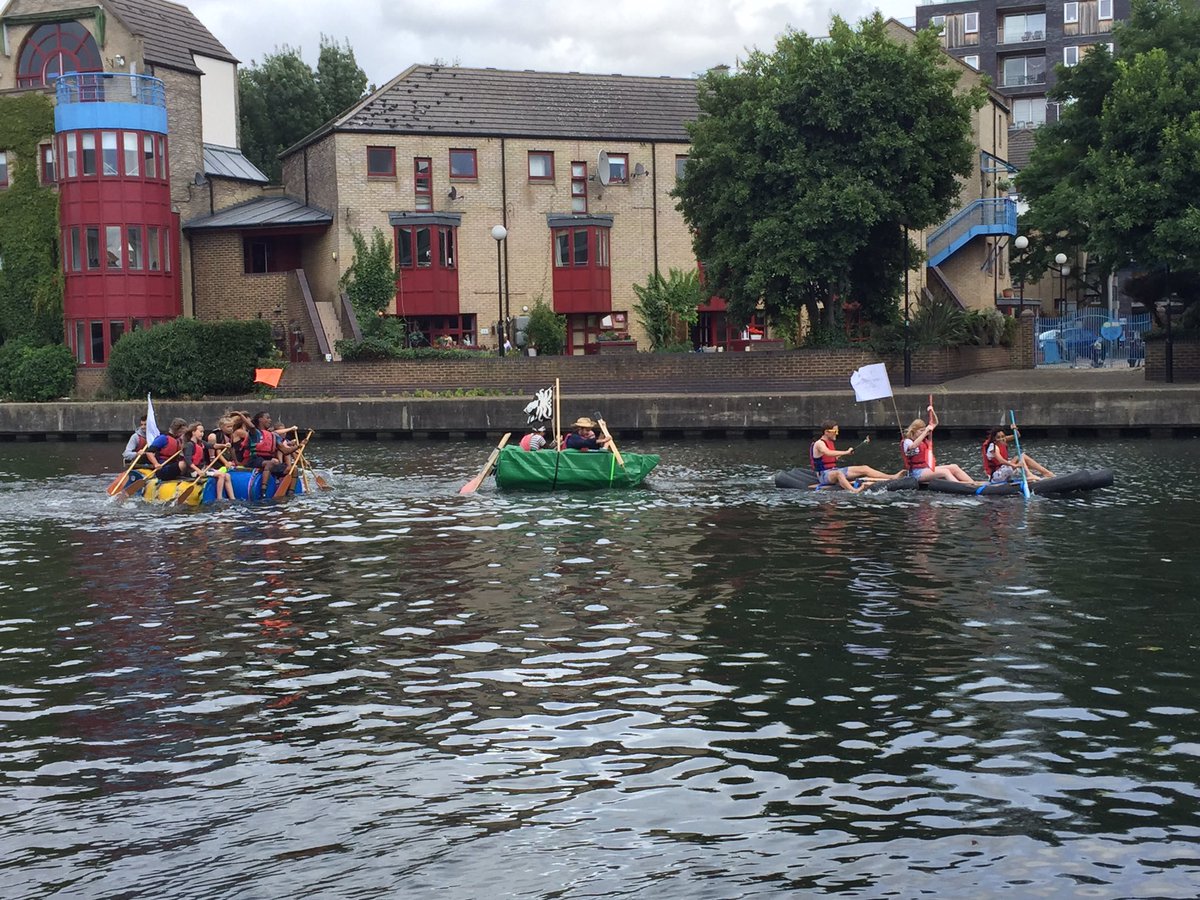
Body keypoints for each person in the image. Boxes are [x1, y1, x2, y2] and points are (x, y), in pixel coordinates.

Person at [810, 421, 900, 492]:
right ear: (826, 432)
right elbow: (828, 453)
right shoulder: (819, 443)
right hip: (824, 475)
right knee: (839, 473)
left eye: (837, 431)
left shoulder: (830, 443)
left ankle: (892, 477)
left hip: (833, 471)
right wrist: (845, 452)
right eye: (835, 431)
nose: (837, 433)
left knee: (864, 468)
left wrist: (842, 454)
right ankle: (854, 491)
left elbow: (831, 457)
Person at [902, 408, 979, 484]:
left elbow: (935, 423)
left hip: (926, 469)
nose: (923, 433)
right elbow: (913, 446)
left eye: (923, 430)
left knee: (953, 467)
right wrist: (925, 431)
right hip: (916, 473)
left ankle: (972, 483)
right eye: (921, 431)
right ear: (914, 431)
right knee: (945, 472)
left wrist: (932, 411)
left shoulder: (923, 438)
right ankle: (960, 486)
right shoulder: (907, 441)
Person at [248, 411, 297, 497]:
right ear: (260, 420)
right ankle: (263, 492)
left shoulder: (274, 435)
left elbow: (285, 451)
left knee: (294, 469)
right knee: (270, 463)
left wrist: (299, 446)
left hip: (269, 460)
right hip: (255, 459)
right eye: (267, 418)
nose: (270, 420)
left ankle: (290, 492)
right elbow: (251, 426)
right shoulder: (254, 432)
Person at [982, 426, 1054, 484]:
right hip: (996, 476)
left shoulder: (1002, 440)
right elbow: (1001, 460)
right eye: (998, 437)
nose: (1001, 439)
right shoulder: (993, 447)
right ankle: (1029, 475)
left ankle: (1047, 473)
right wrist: (1014, 465)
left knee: (1022, 456)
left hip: (1003, 472)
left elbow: (1017, 435)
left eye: (1003, 436)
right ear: (994, 439)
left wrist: (1014, 429)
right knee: (1020, 456)